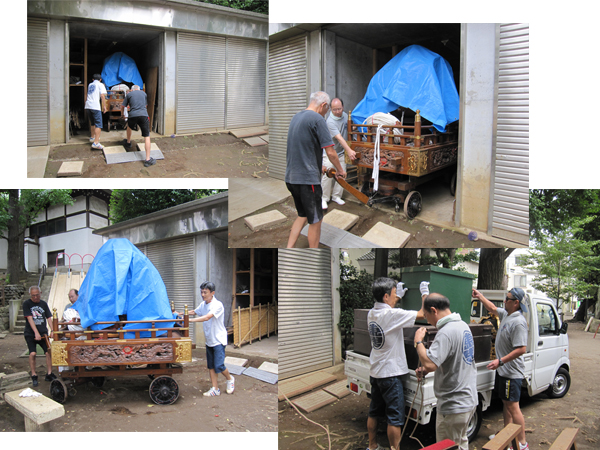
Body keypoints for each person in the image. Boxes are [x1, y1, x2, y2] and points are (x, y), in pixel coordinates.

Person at [366, 278, 427, 450]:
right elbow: (422, 314)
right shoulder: (392, 315)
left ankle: (372, 447)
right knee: (394, 417)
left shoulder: (372, 313)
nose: (395, 297)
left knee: (374, 412)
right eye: (393, 294)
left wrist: (398, 296)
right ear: (386, 297)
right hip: (390, 375)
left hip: (376, 371)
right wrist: (424, 294)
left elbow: (389, 309)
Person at [413, 293, 477, 450]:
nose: (427, 321)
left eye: (426, 316)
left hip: (454, 406)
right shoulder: (462, 325)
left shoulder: (446, 332)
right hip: (468, 401)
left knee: (447, 447)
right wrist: (429, 368)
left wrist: (418, 342)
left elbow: (429, 364)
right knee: (461, 442)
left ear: (434, 310)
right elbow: (453, 359)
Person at [285, 91, 347, 248]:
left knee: (302, 215)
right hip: (307, 182)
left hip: (291, 178)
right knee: (316, 220)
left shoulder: (296, 117)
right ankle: (315, 255)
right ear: (324, 105)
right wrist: (340, 170)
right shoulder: (318, 120)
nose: (327, 114)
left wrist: (321, 167)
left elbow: (301, 149)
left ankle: (289, 249)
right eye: (328, 110)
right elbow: (331, 151)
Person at [472, 288, 529, 450]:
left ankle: (522, 443)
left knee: (513, 407)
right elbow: (492, 308)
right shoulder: (507, 315)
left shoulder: (518, 322)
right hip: (504, 370)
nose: (504, 301)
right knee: (506, 404)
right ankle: (507, 434)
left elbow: (521, 349)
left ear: (516, 303)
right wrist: (480, 296)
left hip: (511, 372)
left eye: (508, 299)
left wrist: (500, 361)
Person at [188, 281, 234, 396]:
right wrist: (179, 314)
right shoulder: (203, 304)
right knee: (211, 366)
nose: (203, 295)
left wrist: (190, 320)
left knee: (219, 365)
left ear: (212, 293)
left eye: (205, 292)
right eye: (201, 292)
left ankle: (230, 379)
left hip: (218, 340)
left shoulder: (218, 305)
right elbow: (194, 312)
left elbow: (208, 317)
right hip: (209, 340)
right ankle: (215, 389)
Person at [321, 98, 357, 209]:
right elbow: (340, 138)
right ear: (330, 109)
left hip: (341, 152)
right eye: (334, 109)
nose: (337, 111)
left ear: (343, 107)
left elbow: (350, 127)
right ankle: (323, 198)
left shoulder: (346, 116)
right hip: (330, 153)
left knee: (342, 174)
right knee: (328, 174)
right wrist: (349, 150)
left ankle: (336, 196)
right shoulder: (330, 122)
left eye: (339, 109)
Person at [22, 286, 56, 386]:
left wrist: (53, 330)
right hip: (30, 333)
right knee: (32, 353)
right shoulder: (27, 304)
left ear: (40, 293)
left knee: (48, 352)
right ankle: (34, 375)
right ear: (30, 295)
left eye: (37, 295)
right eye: (33, 296)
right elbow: (30, 319)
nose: (36, 297)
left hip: (43, 333)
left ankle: (49, 373)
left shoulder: (43, 304)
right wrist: (36, 333)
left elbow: (49, 317)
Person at [121, 85, 156, 167]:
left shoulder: (129, 94)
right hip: (143, 116)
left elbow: (123, 106)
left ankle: (128, 142)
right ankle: (147, 159)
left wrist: (122, 115)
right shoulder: (144, 94)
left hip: (132, 115)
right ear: (139, 89)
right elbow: (145, 106)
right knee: (147, 136)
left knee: (129, 126)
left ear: (132, 90)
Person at [85, 74, 108, 150]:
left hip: (88, 106)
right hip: (95, 106)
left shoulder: (90, 85)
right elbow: (102, 95)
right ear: (100, 79)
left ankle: (92, 138)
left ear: (92, 79)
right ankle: (96, 143)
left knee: (92, 123)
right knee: (98, 124)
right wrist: (104, 106)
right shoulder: (100, 84)